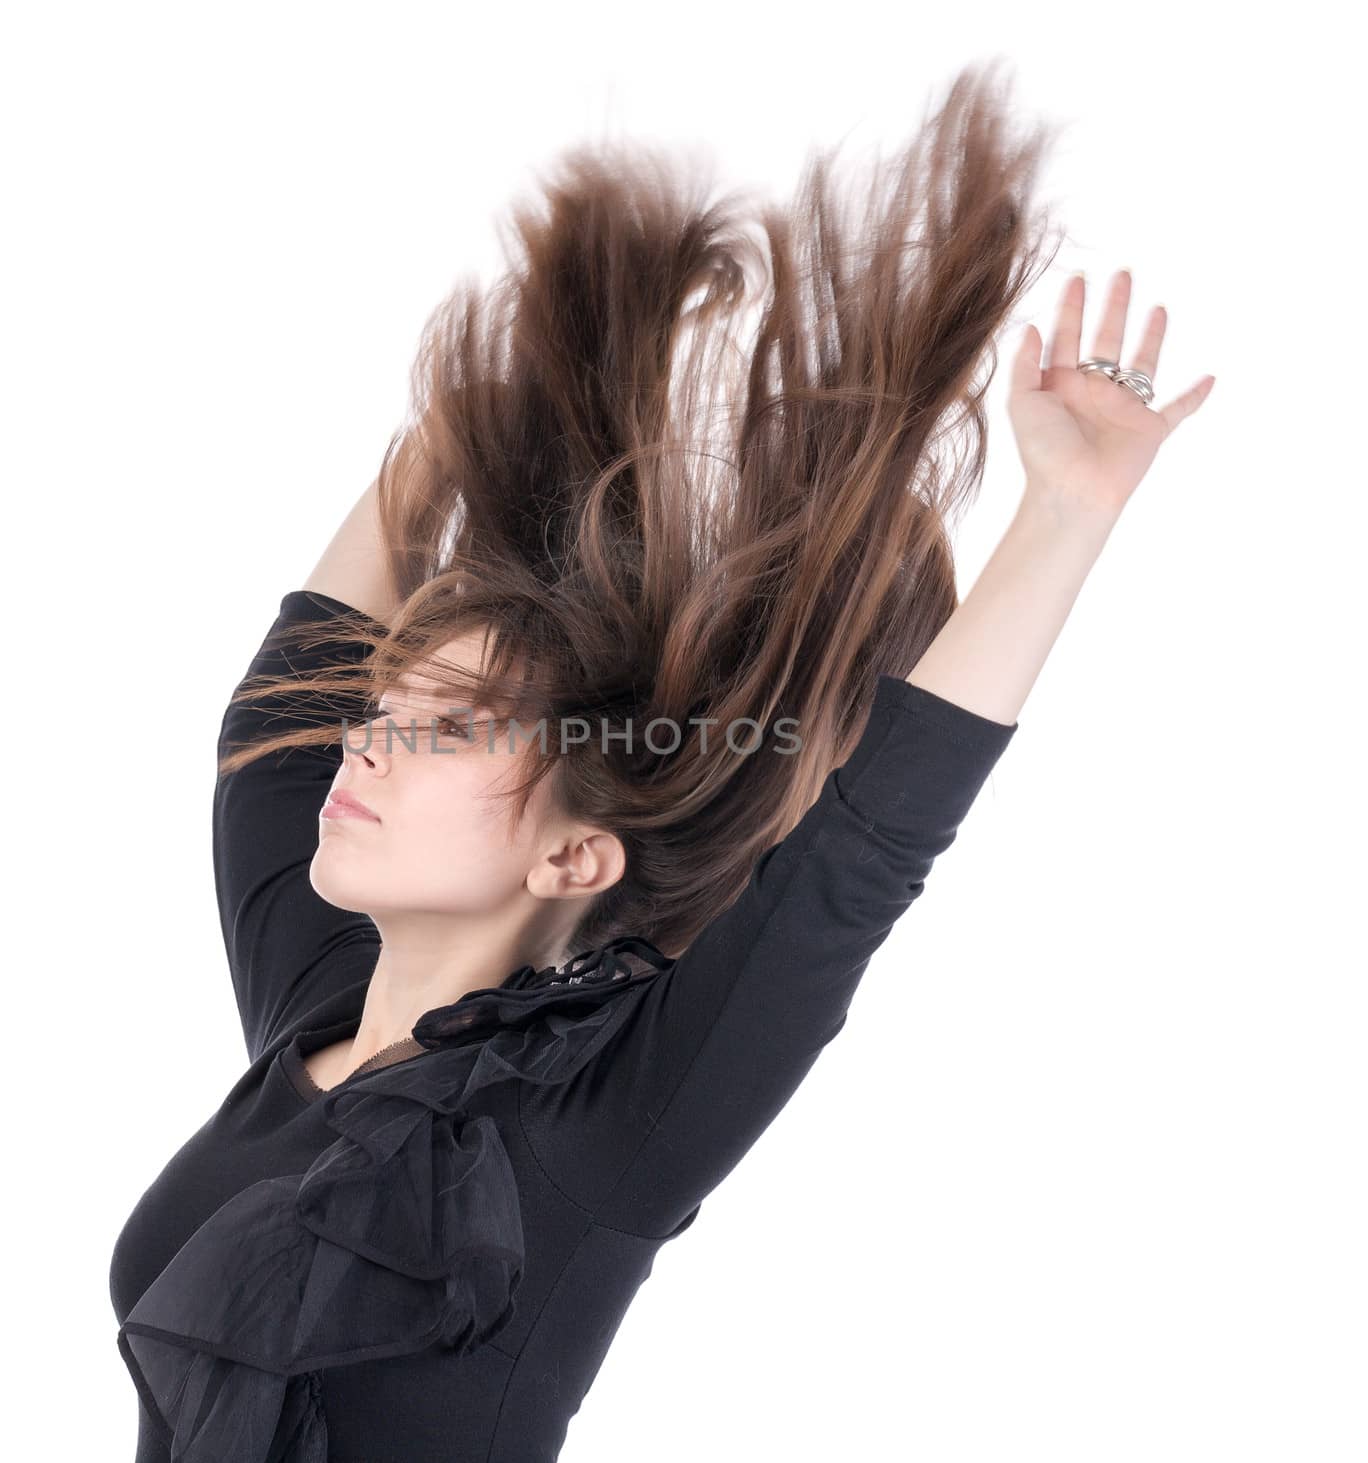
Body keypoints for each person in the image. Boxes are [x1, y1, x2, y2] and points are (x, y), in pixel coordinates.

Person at [107, 63, 1214, 1463]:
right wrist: (471, 423)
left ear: (575, 854)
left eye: (448, 730)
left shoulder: (607, 1126)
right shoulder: (312, 1009)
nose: (369, 742)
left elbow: (849, 875)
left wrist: (1066, 512)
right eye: (388, 709)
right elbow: (278, 714)